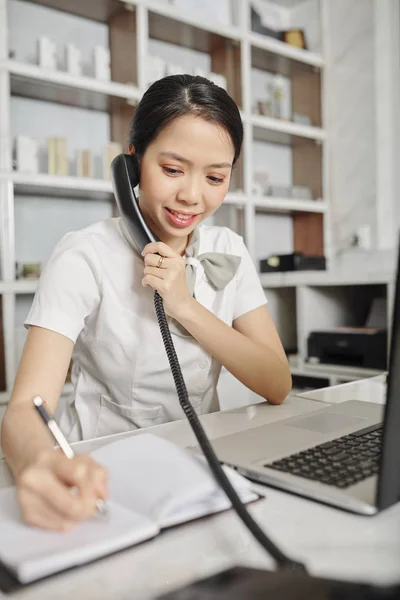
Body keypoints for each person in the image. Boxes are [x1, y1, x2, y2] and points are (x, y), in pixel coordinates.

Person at [1, 74, 292, 531]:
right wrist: (38, 464)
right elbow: (24, 409)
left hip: (200, 469)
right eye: (172, 170)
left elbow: (277, 382)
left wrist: (185, 306)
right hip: (103, 468)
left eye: (215, 177)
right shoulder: (84, 253)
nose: (192, 196)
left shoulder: (228, 247)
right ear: (132, 164)